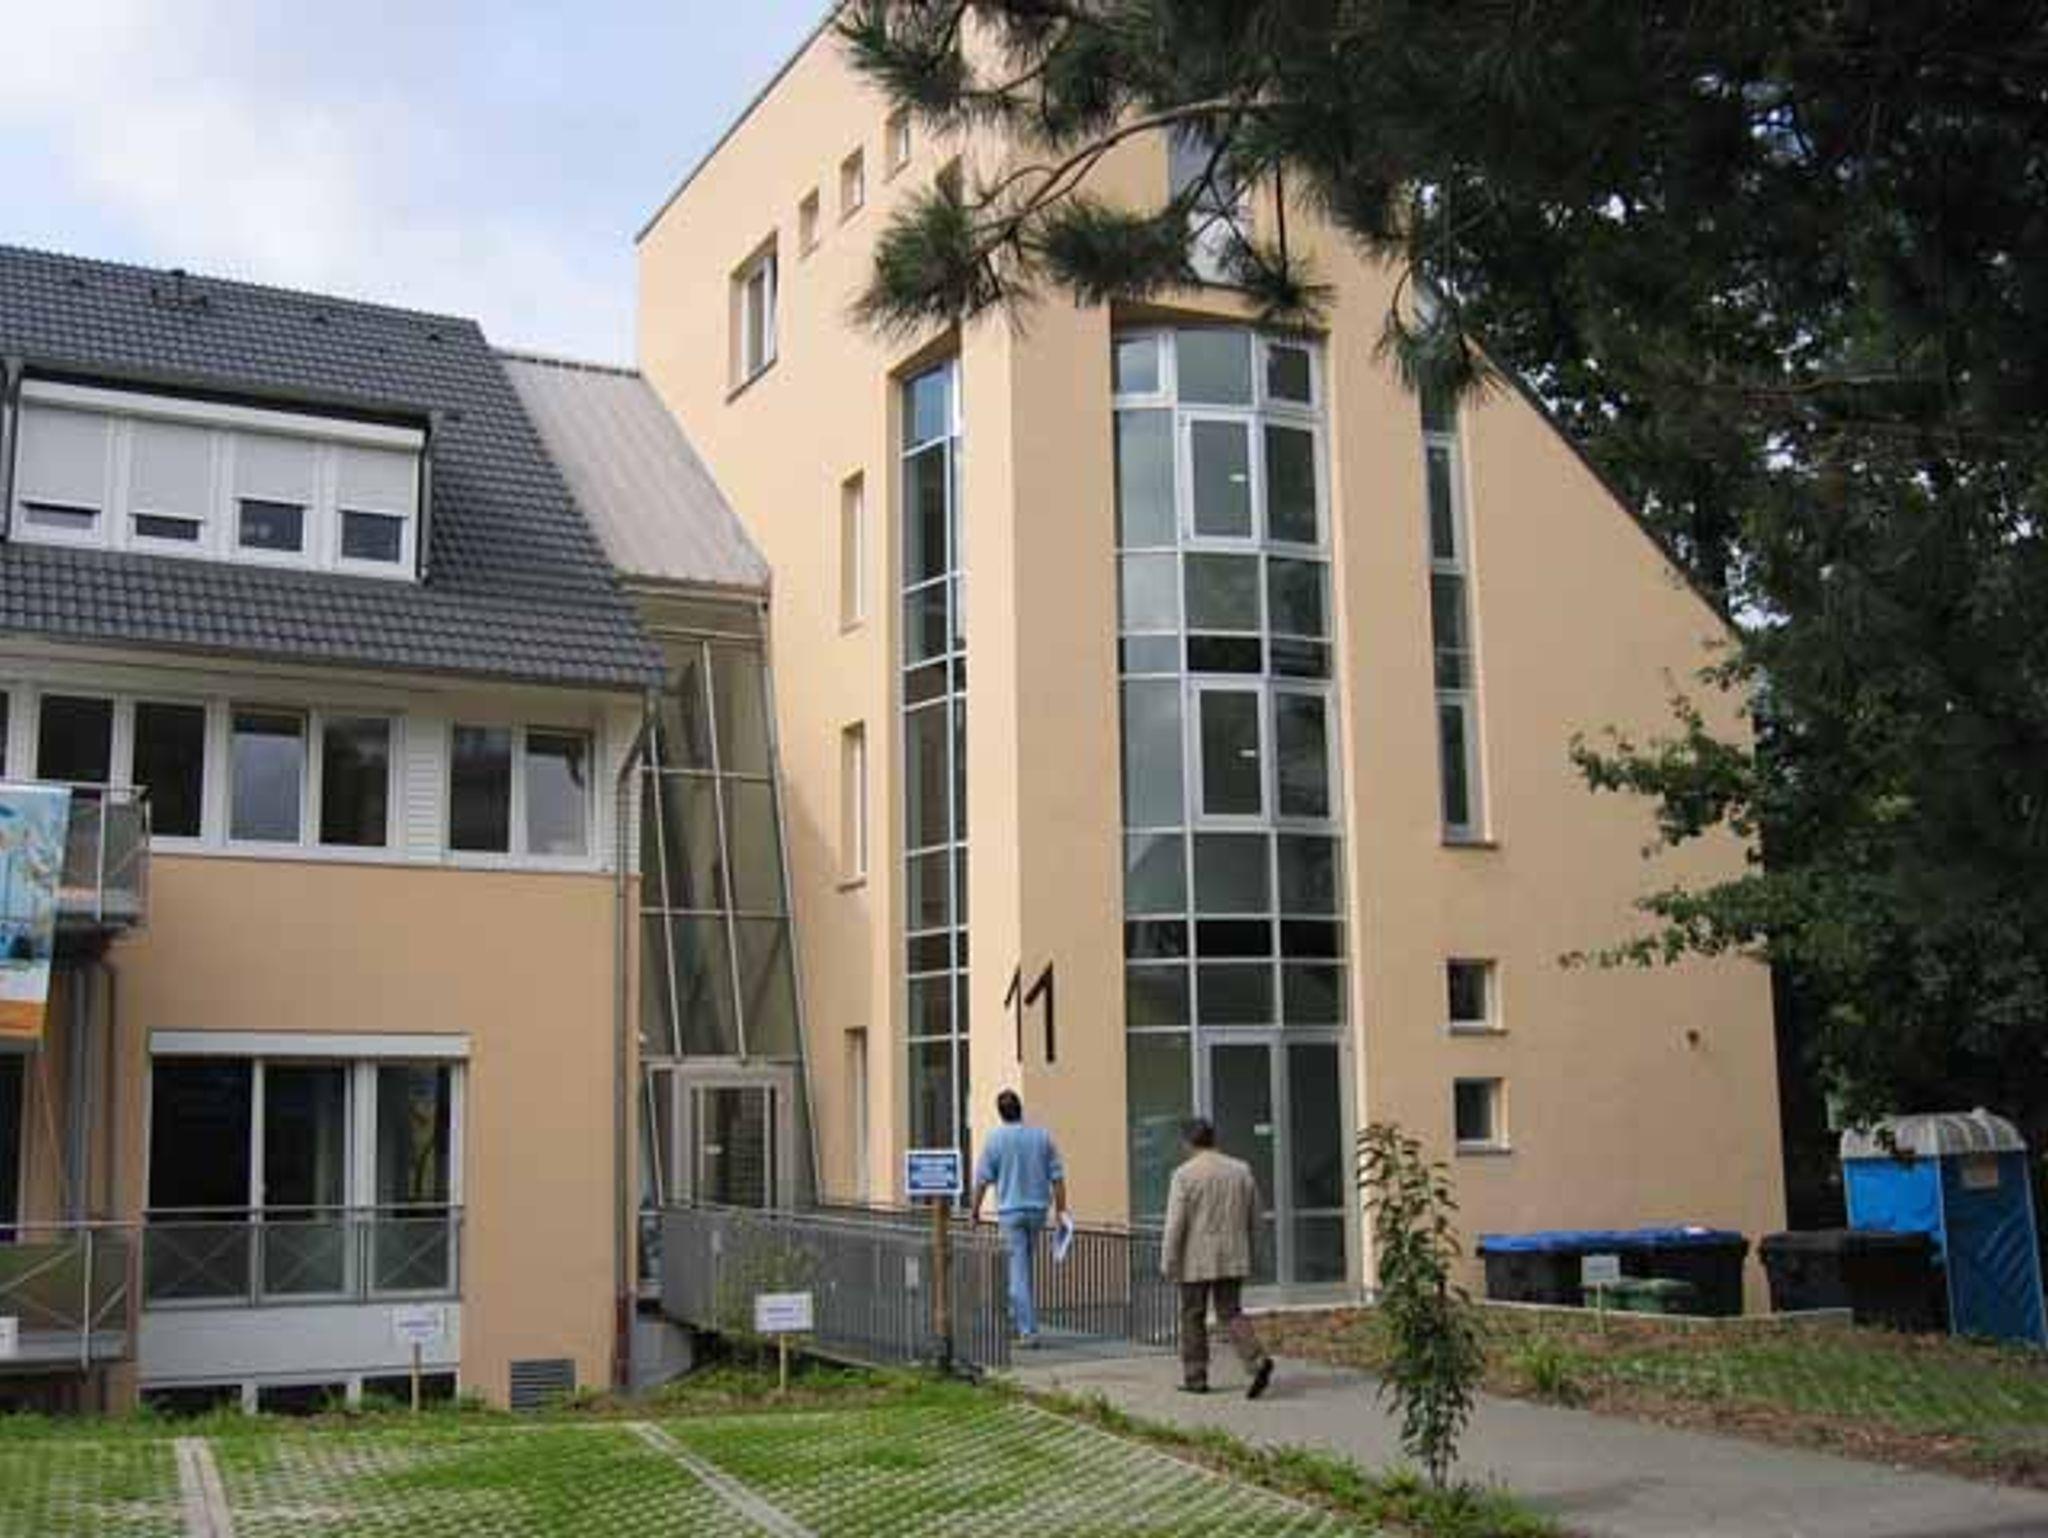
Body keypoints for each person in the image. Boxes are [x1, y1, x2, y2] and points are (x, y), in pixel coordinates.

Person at [1161, 1116, 1273, 1398]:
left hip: (1195, 1258)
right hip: (1233, 1253)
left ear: (1188, 1143)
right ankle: (1257, 1359)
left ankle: (1195, 1376)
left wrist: (1168, 1260)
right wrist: (1259, 1253)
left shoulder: (1184, 1175)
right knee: (1230, 1311)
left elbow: (1175, 1224)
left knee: (1192, 1315)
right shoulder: (1241, 1170)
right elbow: (1255, 1217)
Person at [970, 1089, 1067, 1347]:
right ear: (1020, 1109)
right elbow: (1057, 1177)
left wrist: (974, 1211)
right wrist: (1061, 1211)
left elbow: (982, 1180)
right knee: (1024, 1269)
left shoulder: (995, 1139)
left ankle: (1027, 1331)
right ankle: (1021, 1320)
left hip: (1011, 1212)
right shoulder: (1041, 1136)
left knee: (1018, 1272)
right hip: (1037, 1211)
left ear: (1000, 1113)